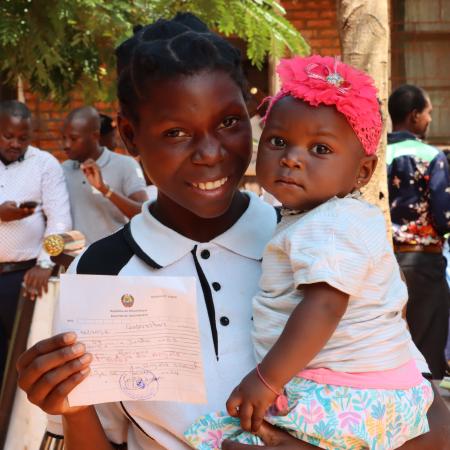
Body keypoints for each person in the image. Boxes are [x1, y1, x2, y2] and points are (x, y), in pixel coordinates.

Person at [15, 15, 450, 450]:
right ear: (130, 136)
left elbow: (429, 419)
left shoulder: (321, 243)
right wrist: (73, 410)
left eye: (228, 123)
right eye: (175, 132)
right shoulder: (100, 274)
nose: (209, 153)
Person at [185, 56, 435, 449]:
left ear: (363, 172)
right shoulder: (330, 219)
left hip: (348, 394)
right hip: (374, 387)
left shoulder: (330, 224)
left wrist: (267, 379)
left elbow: (324, 307)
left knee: (225, 439)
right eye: (278, 141)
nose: (291, 158)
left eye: (320, 148)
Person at [0, 100, 71, 381]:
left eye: (23, 138)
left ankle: (18, 425)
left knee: (23, 357)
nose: (16, 143)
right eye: (8, 136)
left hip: (24, 278)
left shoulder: (45, 164)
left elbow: (60, 221)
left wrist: (45, 262)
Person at [387, 84, 450, 379]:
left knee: (388, 342)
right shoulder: (431, 156)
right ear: (413, 116)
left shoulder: (375, 156)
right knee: (426, 342)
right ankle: (427, 415)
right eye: (427, 114)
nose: (429, 120)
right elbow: (444, 215)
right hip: (423, 262)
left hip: (382, 260)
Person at [62, 106, 147, 244]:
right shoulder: (63, 170)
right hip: (76, 260)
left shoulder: (125, 164)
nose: (65, 145)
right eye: (64, 138)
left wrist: (105, 189)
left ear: (95, 136)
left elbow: (144, 214)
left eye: (73, 138)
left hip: (117, 256)